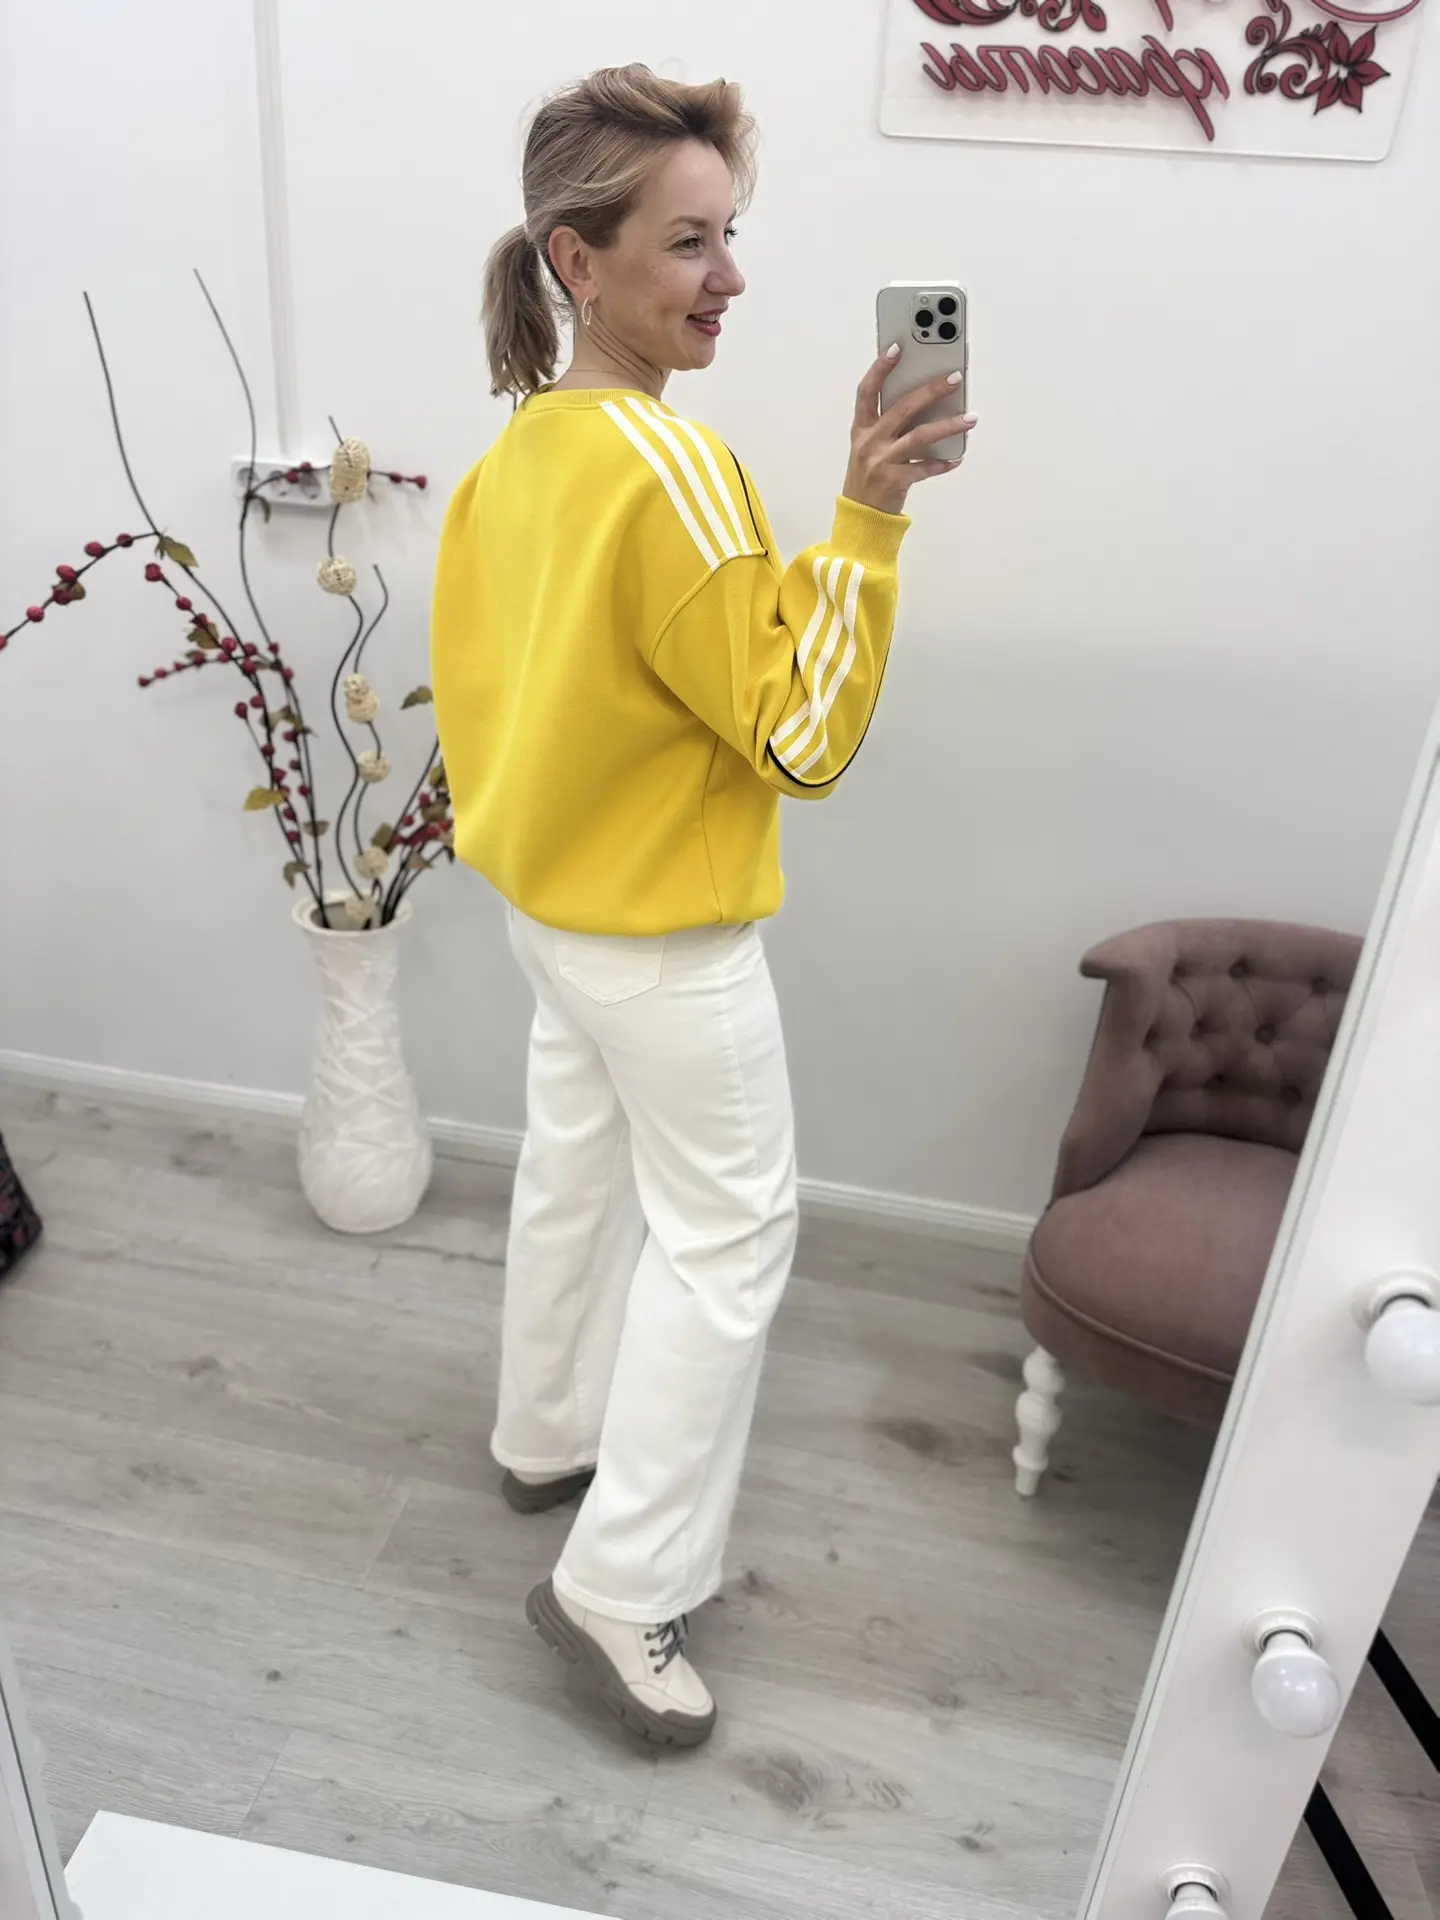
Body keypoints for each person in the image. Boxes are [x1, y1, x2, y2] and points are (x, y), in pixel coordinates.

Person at [430, 63, 973, 1750]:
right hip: (663, 937)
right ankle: (621, 1584)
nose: (730, 276)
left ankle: (544, 1437)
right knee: (732, 1237)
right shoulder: (667, 463)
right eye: (688, 243)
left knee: (580, 1171)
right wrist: (870, 521)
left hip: (555, 915)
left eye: (731, 235)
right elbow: (800, 737)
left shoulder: (524, 450)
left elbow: (620, 676)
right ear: (575, 261)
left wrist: (819, 556)